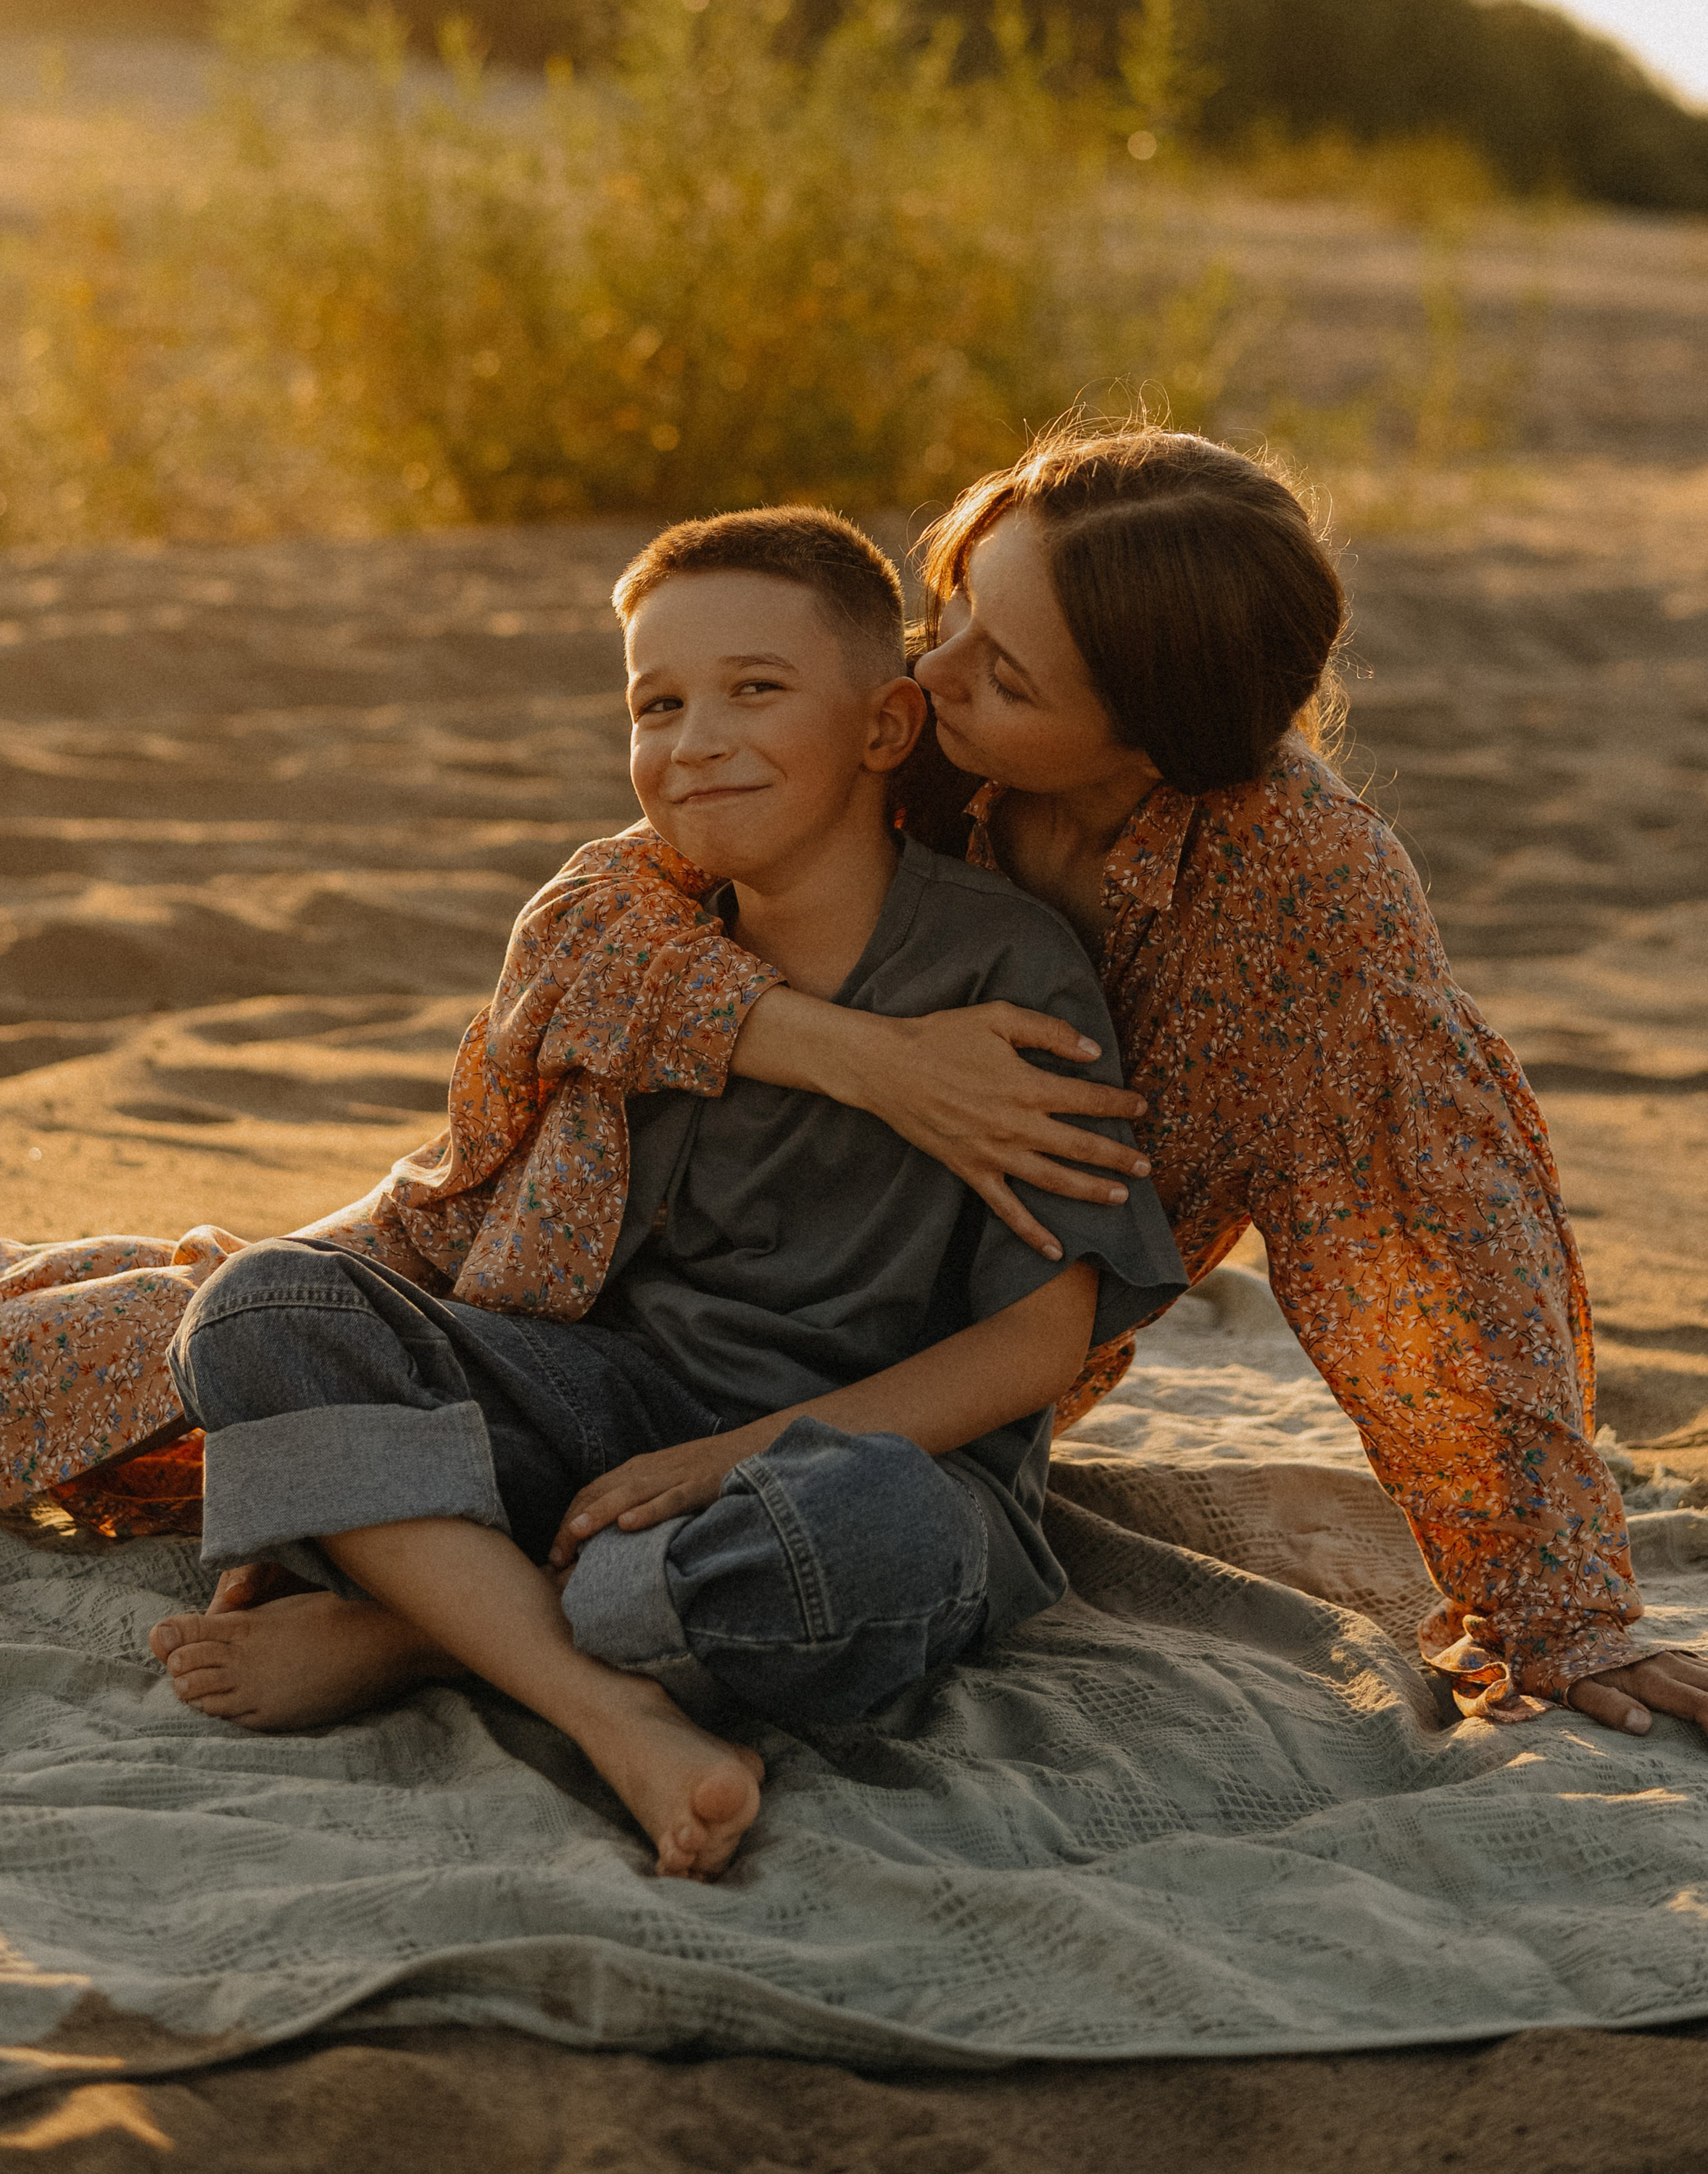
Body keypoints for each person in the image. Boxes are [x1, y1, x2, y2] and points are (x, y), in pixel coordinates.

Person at [143, 510, 1185, 1878]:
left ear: (883, 730)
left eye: (756, 690)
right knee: (252, 1308)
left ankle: (418, 1628)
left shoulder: (1010, 972)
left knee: (837, 1552)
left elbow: (1041, 1346)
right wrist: (660, 1444)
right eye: (658, 703)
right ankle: (602, 1699)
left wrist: (732, 1461)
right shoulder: (655, 949)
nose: (697, 740)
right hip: (615, 1409)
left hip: (865, 1466)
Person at [705, 422, 1708, 1742]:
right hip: (691, 1263)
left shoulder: (1305, 889)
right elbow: (598, 933)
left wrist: (1551, 1605)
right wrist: (866, 1058)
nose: (930, 670)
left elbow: (1437, 1232)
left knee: (772, 1576)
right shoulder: (907, 721)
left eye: (1003, 673)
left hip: (944, 1378)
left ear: (1157, 740)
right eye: (951, 600)